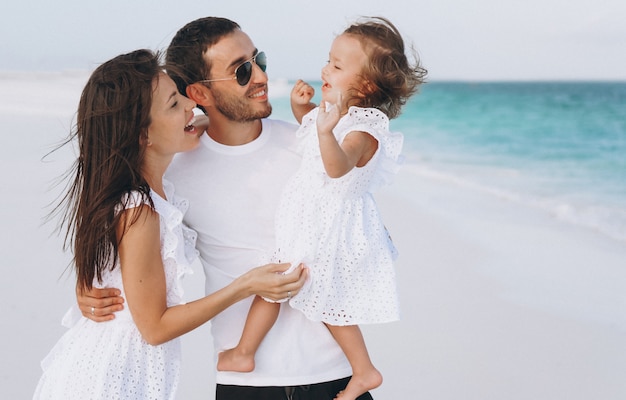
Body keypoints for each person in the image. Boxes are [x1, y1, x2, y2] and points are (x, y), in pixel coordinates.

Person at [79, 16, 423, 399]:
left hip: (337, 378)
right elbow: (123, 223)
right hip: (247, 385)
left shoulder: (311, 145)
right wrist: (88, 284)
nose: (260, 76)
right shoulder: (174, 170)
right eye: (242, 70)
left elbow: (357, 221)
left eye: (259, 59)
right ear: (200, 93)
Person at [34, 49, 305, 400]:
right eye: (174, 105)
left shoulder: (151, 190)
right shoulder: (141, 211)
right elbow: (155, 328)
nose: (191, 108)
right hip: (111, 378)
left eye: (181, 97)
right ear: (142, 136)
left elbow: (204, 123)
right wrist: (245, 285)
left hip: (118, 368)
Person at [215, 17, 427, 400]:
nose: (325, 70)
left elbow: (337, 166)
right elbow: (314, 134)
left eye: (337, 66)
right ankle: (253, 354)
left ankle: (355, 370)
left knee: (290, 287)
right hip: (313, 219)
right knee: (286, 285)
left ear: (364, 85)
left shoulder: (366, 128)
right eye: (328, 60)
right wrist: (304, 109)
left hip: (330, 226)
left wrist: (326, 129)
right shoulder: (338, 115)